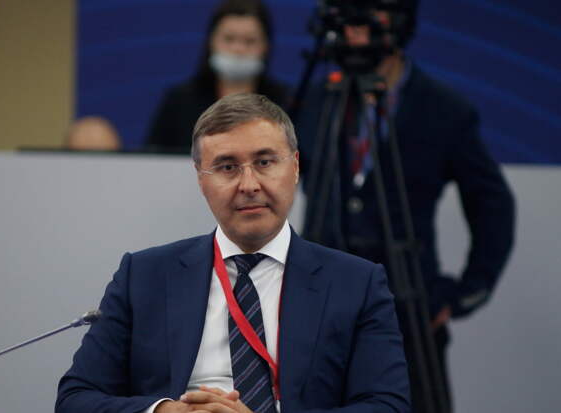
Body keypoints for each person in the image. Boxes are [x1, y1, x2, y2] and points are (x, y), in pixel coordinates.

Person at [56, 93, 410, 413]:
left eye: (265, 162)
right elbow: (75, 399)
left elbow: (388, 406)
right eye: (227, 167)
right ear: (201, 178)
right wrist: (163, 412)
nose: (249, 185)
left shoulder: (356, 283)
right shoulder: (144, 276)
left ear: (295, 167)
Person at [295, 1, 515, 411]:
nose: (355, 31)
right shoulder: (317, 99)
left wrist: (465, 291)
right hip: (318, 315)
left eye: (368, 16)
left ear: (398, 23)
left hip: (408, 316)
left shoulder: (444, 108)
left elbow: (493, 203)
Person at [144, 0, 289, 153]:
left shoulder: (285, 102)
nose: (238, 49)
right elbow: (154, 159)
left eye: (250, 41)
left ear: (266, 46)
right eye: (229, 39)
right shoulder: (179, 102)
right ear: (211, 41)